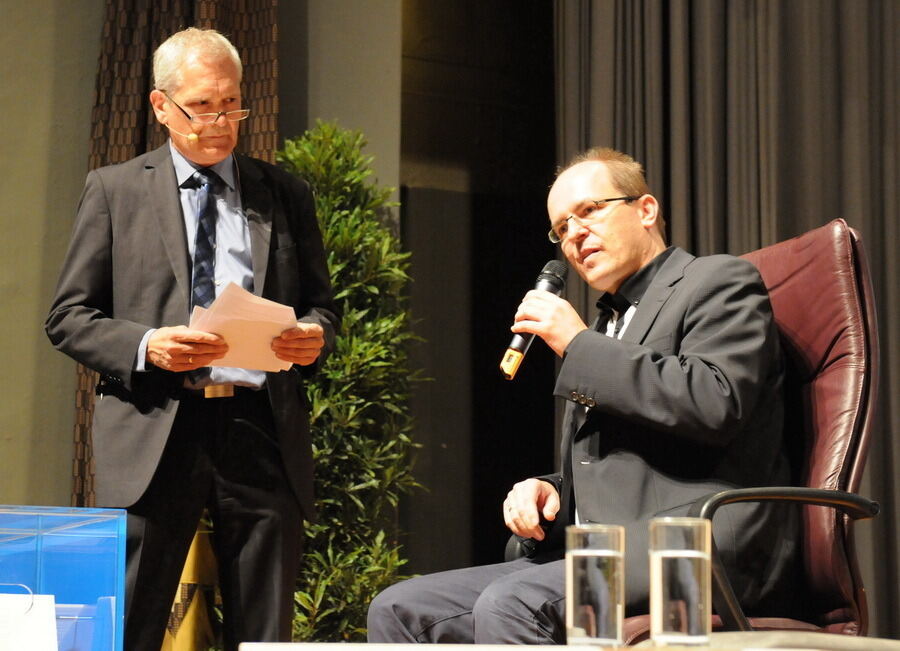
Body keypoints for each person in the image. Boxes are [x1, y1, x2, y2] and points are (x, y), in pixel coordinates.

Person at [367, 148, 799, 643]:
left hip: (699, 546)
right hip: (607, 549)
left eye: (590, 210)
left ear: (646, 209)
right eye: (561, 226)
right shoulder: (605, 325)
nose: (574, 233)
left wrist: (577, 345)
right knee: (400, 608)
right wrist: (553, 488)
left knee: (514, 604)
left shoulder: (716, 280)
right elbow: (623, 459)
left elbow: (714, 401)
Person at [45, 28, 339, 651]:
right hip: (155, 428)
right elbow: (68, 317)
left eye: (232, 104)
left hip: (260, 430)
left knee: (264, 633)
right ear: (160, 106)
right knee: (131, 626)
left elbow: (322, 309)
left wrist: (313, 337)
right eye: (202, 106)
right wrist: (146, 344)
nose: (221, 121)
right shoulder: (115, 191)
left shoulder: (284, 194)